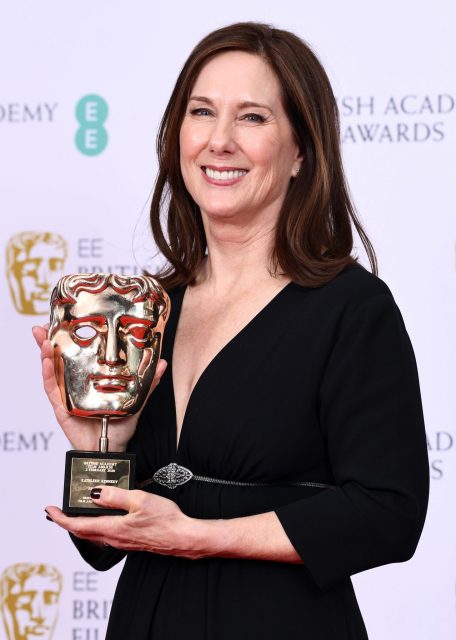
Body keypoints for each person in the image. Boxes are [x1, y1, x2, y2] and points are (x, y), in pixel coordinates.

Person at [33, 22, 429, 640]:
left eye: (251, 118)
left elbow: (389, 515)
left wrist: (196, 537)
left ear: (301, 151)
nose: (219, 141)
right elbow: (103, 546)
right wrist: (98, 445)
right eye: (201, 112)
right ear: (176, 137)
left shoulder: (352, 308)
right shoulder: (149, 310)